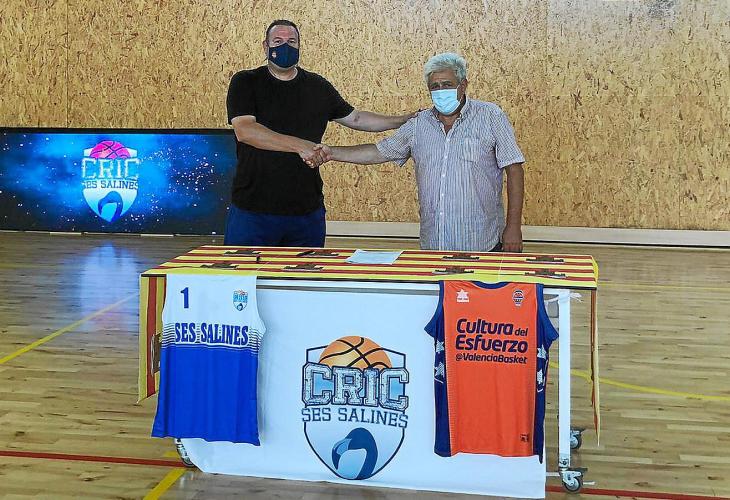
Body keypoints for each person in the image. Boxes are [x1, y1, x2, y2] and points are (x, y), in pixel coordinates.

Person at [225, 19, 414, 247]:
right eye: (278, 41)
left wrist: (403, 120)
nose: (285, 46)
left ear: (299, 46)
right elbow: (246, 130)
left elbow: (356, 118)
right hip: (253, 211)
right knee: (245, 271)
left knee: (305, 271)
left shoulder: (317, 86)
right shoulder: (246, 81)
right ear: (265, 46)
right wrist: (300, 146)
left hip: (306, 213)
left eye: (291, 42)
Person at [315, 52, 526, 253]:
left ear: (463, 85)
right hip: (434, 244)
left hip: (482, 242)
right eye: (435, 86)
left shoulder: (491, 116)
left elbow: (514, 169)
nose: (440, 90)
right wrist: (331, 152)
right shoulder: (418, 124)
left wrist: (513, 226)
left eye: (447, 84)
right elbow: (378, 152)